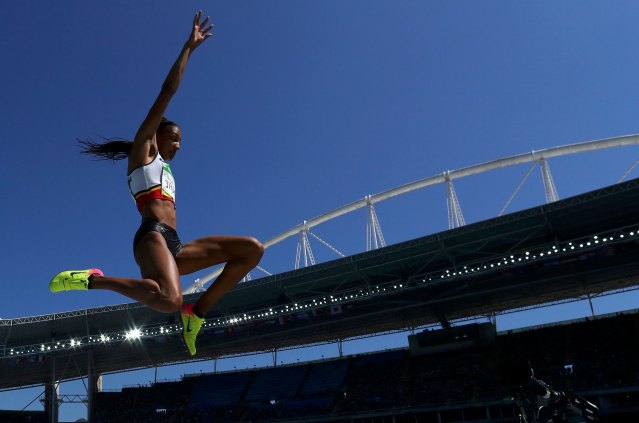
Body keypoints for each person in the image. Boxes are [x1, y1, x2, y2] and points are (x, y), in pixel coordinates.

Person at [49, 11, 264, 356]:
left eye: (181, 140)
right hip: (150, 236)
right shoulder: (143, 152)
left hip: (173, 245)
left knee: (252, 249)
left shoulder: (166, 170)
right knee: (167, 299)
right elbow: (167, 90)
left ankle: (197, 313)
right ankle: (92, 279)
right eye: (174, 137)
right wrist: (189, 48)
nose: (179, 144)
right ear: (157, 134)